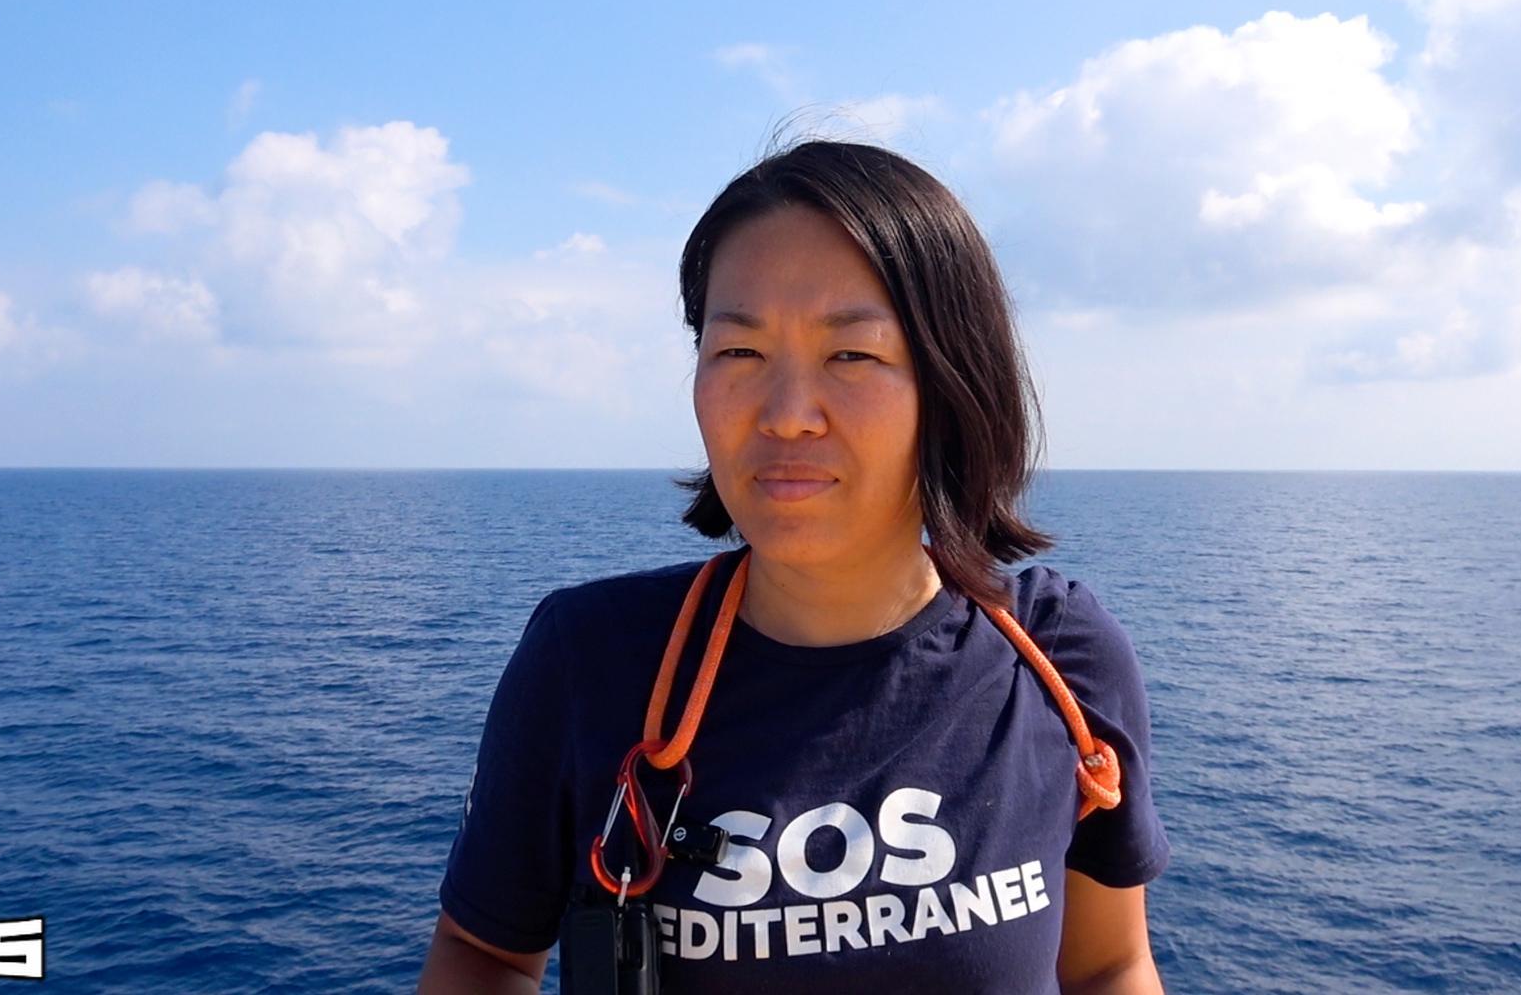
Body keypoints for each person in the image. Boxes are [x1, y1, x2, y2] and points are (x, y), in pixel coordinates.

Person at [416, 138, 1170, 994]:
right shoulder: (589, 662)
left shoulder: (1058, 661)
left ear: (952, 383)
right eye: (739, 353)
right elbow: (484, 955)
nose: (786, 415)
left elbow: (1109, 963)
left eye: (851, 355)